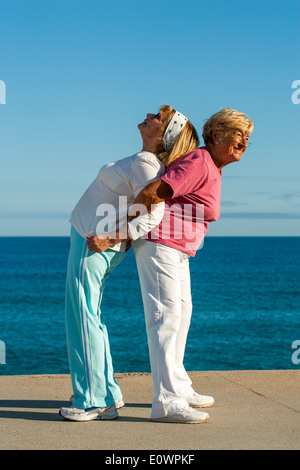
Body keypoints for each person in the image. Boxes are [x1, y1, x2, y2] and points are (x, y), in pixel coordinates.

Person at [87, 107, 254, 424]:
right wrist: (119, 234)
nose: (244, 141)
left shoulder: (210, 165)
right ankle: (165, 402)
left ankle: (179, 387)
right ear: (216, 135)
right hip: (159, 243)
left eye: (247, 137)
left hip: (177, 249)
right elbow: (151, 192)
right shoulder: (199, 161)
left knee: (181, 314)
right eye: (239, 134)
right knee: (165, 317)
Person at [59, 105, 199, 421]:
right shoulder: (144, 162)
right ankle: (105, 393)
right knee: (87, 314)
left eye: (159, 117)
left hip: (92, 241)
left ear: (165, 134)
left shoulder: (146, 164)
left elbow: (155, 212)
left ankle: (94, 401)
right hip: (90, 238)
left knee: (82, 317)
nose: (150, 115)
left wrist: (111, 238)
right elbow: (139, 209)